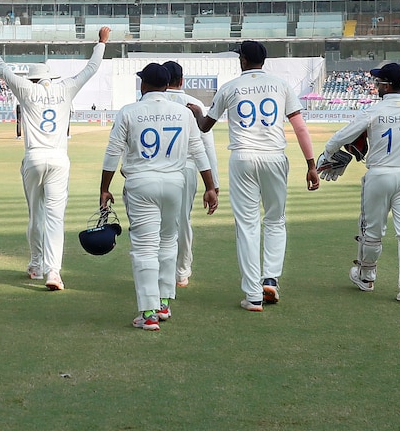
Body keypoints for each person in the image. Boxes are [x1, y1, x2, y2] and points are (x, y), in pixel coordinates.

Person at [0, 17, 109, 291]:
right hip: (59, 158)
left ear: (34, 78)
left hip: (34, 157)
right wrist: (101, 42)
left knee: (35, 215)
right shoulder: (65, 88)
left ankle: (36, 264)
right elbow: (92, 68)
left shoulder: (26, 89)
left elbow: (0, 68)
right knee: (54, 218)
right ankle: (53, 272)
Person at [190, 40, 319, 311]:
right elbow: (300, 128)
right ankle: (270, 280)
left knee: (248, 225)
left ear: (243, 61)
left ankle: (253, 295)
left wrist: (198, 112)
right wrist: (310, 164)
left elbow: (204, 127)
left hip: (243, 158)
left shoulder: (230, 87)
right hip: (274, 157)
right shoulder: (281, 85)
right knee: (275, 219)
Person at [100, 63, 218, 330]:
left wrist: (104, 188)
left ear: (143, 85)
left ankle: (149, 312)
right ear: (167, 85)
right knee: (168, 242)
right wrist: (210, 186)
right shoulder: (183, 113)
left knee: (144, 248)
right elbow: (198, 151)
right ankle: (163, 303)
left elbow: (112, 153)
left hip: (141, 184)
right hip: (175, 184)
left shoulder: (129, 112)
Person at [318, 63, 400, 304]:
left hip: (379, 174)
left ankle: (367, 276)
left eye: (379, 82)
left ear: (386, 85)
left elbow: (341, 136)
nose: (376, 85)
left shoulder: (374, 111)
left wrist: (327, 155)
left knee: (372, 230)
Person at [161, 59, 220, 288]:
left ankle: (159, 268)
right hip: (186, 169)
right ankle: (182, 271)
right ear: (182, 80)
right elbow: (207, 144)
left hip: (157, 168)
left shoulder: (151, 102)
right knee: (183, 220)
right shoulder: (193, 103)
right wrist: (213, 183)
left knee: (157, 222)